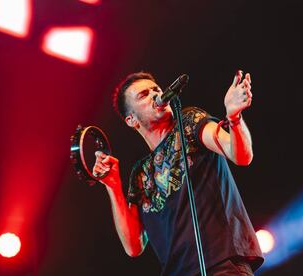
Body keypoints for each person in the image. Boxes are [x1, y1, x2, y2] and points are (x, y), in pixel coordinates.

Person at [92, 70, 264, 275]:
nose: (155, 94)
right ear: (131, 120)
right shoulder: (141, 174)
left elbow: (240, 155)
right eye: (143, 95)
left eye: (156, 89)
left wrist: (234, 118)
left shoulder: (190, 122)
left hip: (221, 265)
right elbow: (133, 246)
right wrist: (112, 185)